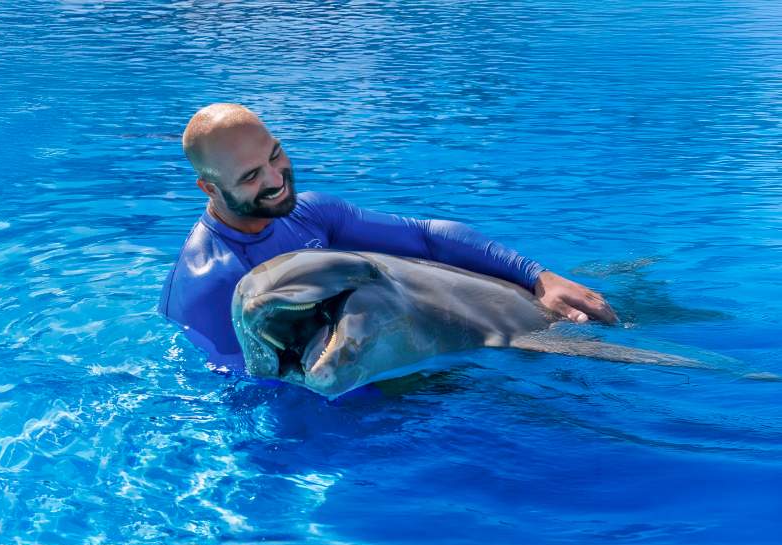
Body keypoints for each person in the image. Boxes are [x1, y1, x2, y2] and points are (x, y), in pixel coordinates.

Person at [159, 103, 617, 372]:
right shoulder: (207, 284)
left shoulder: (308, 211)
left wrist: (539, 277)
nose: (277, 179)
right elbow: (256, 384)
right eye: (251, 176)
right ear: (210, 188)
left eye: (276, 155)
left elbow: (426, 236)